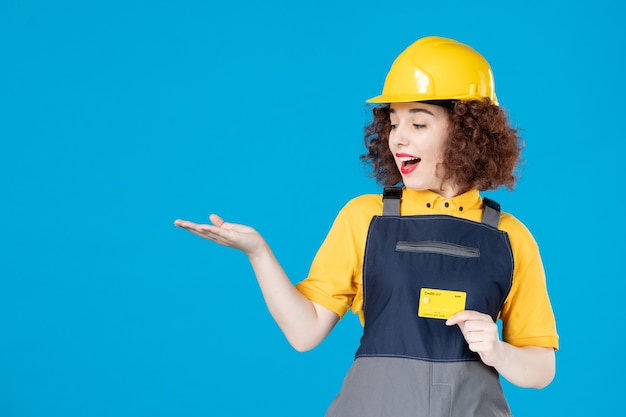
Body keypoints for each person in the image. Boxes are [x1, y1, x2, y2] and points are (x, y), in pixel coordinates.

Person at [174, 36, 558, 417]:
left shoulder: (510, 238)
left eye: (419, 123)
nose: (398, 138)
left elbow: (541, 368)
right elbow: (305, 333)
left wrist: (499, 351)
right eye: (392, 123)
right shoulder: (365, 218)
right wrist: (258, 253)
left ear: (467, 132)